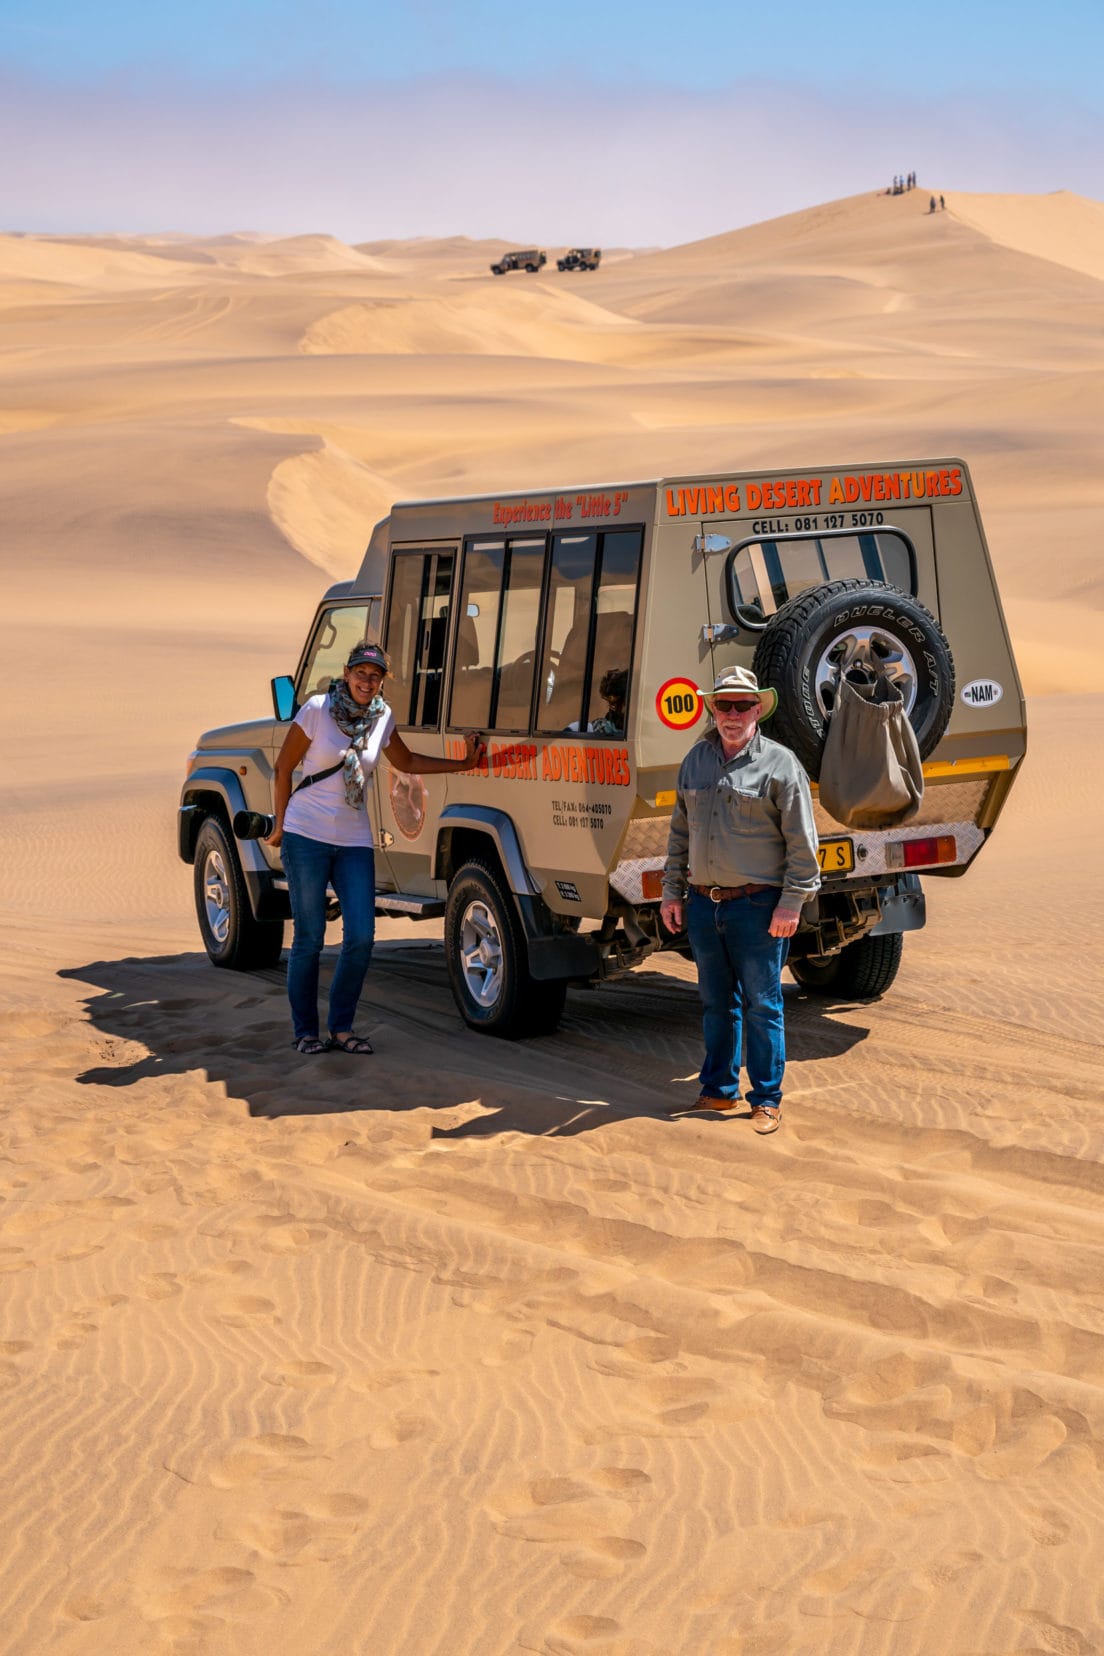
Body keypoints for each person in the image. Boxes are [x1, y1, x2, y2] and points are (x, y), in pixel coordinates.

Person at [266, 641, 484, 1055]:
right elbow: (283, 768)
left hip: (353, 839)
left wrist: (463, 764)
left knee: (362, 936)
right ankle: (305, 1032)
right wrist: (279, 824)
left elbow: (406, 762)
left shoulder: (382, 717)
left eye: (376, 675)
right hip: (306, 835)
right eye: (361, 673)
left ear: (382, 681)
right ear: (347, 673)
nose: (368, 681)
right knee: (310, 938)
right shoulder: (316, 709)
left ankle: (342, 1028)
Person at [660, 666, 820, 1133]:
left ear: (757, 710)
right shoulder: (695, 761)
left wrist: (792, 903)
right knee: (715, 1002)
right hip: (704, 904)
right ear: (712, 708)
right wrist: (673, 892)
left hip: (758, 906)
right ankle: (717, 1091)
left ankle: (766, 1098)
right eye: (723, 705)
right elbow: (678, 835)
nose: (732, 715)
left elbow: (803, 845)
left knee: (762, 1004)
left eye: (742, 705)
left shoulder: (780, 763)